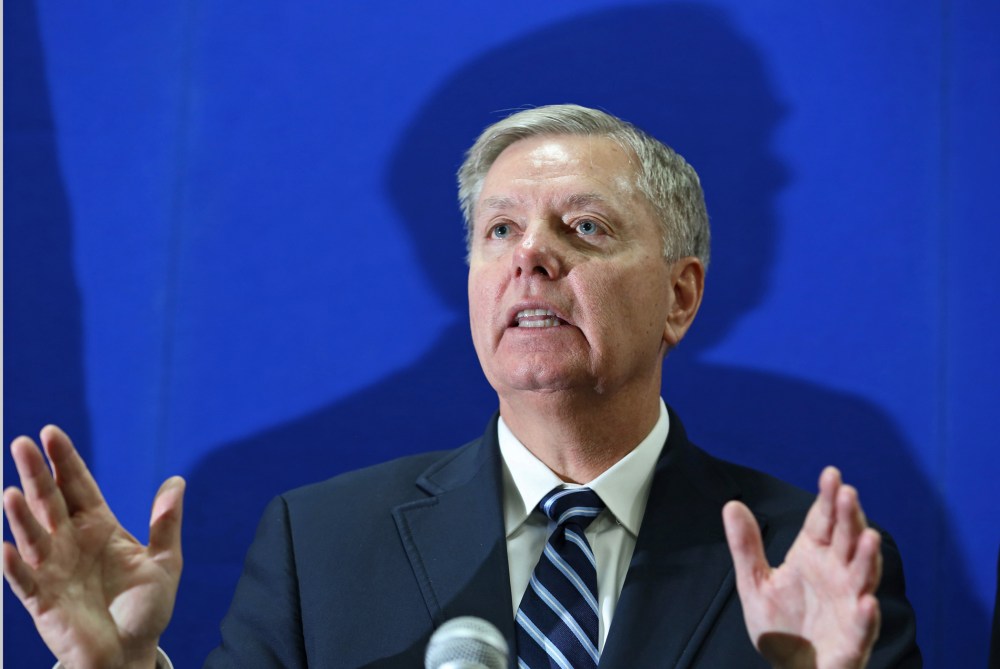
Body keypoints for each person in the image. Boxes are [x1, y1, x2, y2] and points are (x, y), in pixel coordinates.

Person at [3, 104, 920, 668]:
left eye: (587, 228)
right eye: (499, 231)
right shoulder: (318, 546)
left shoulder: (813, 560)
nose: (532, 258)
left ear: (680, 296)